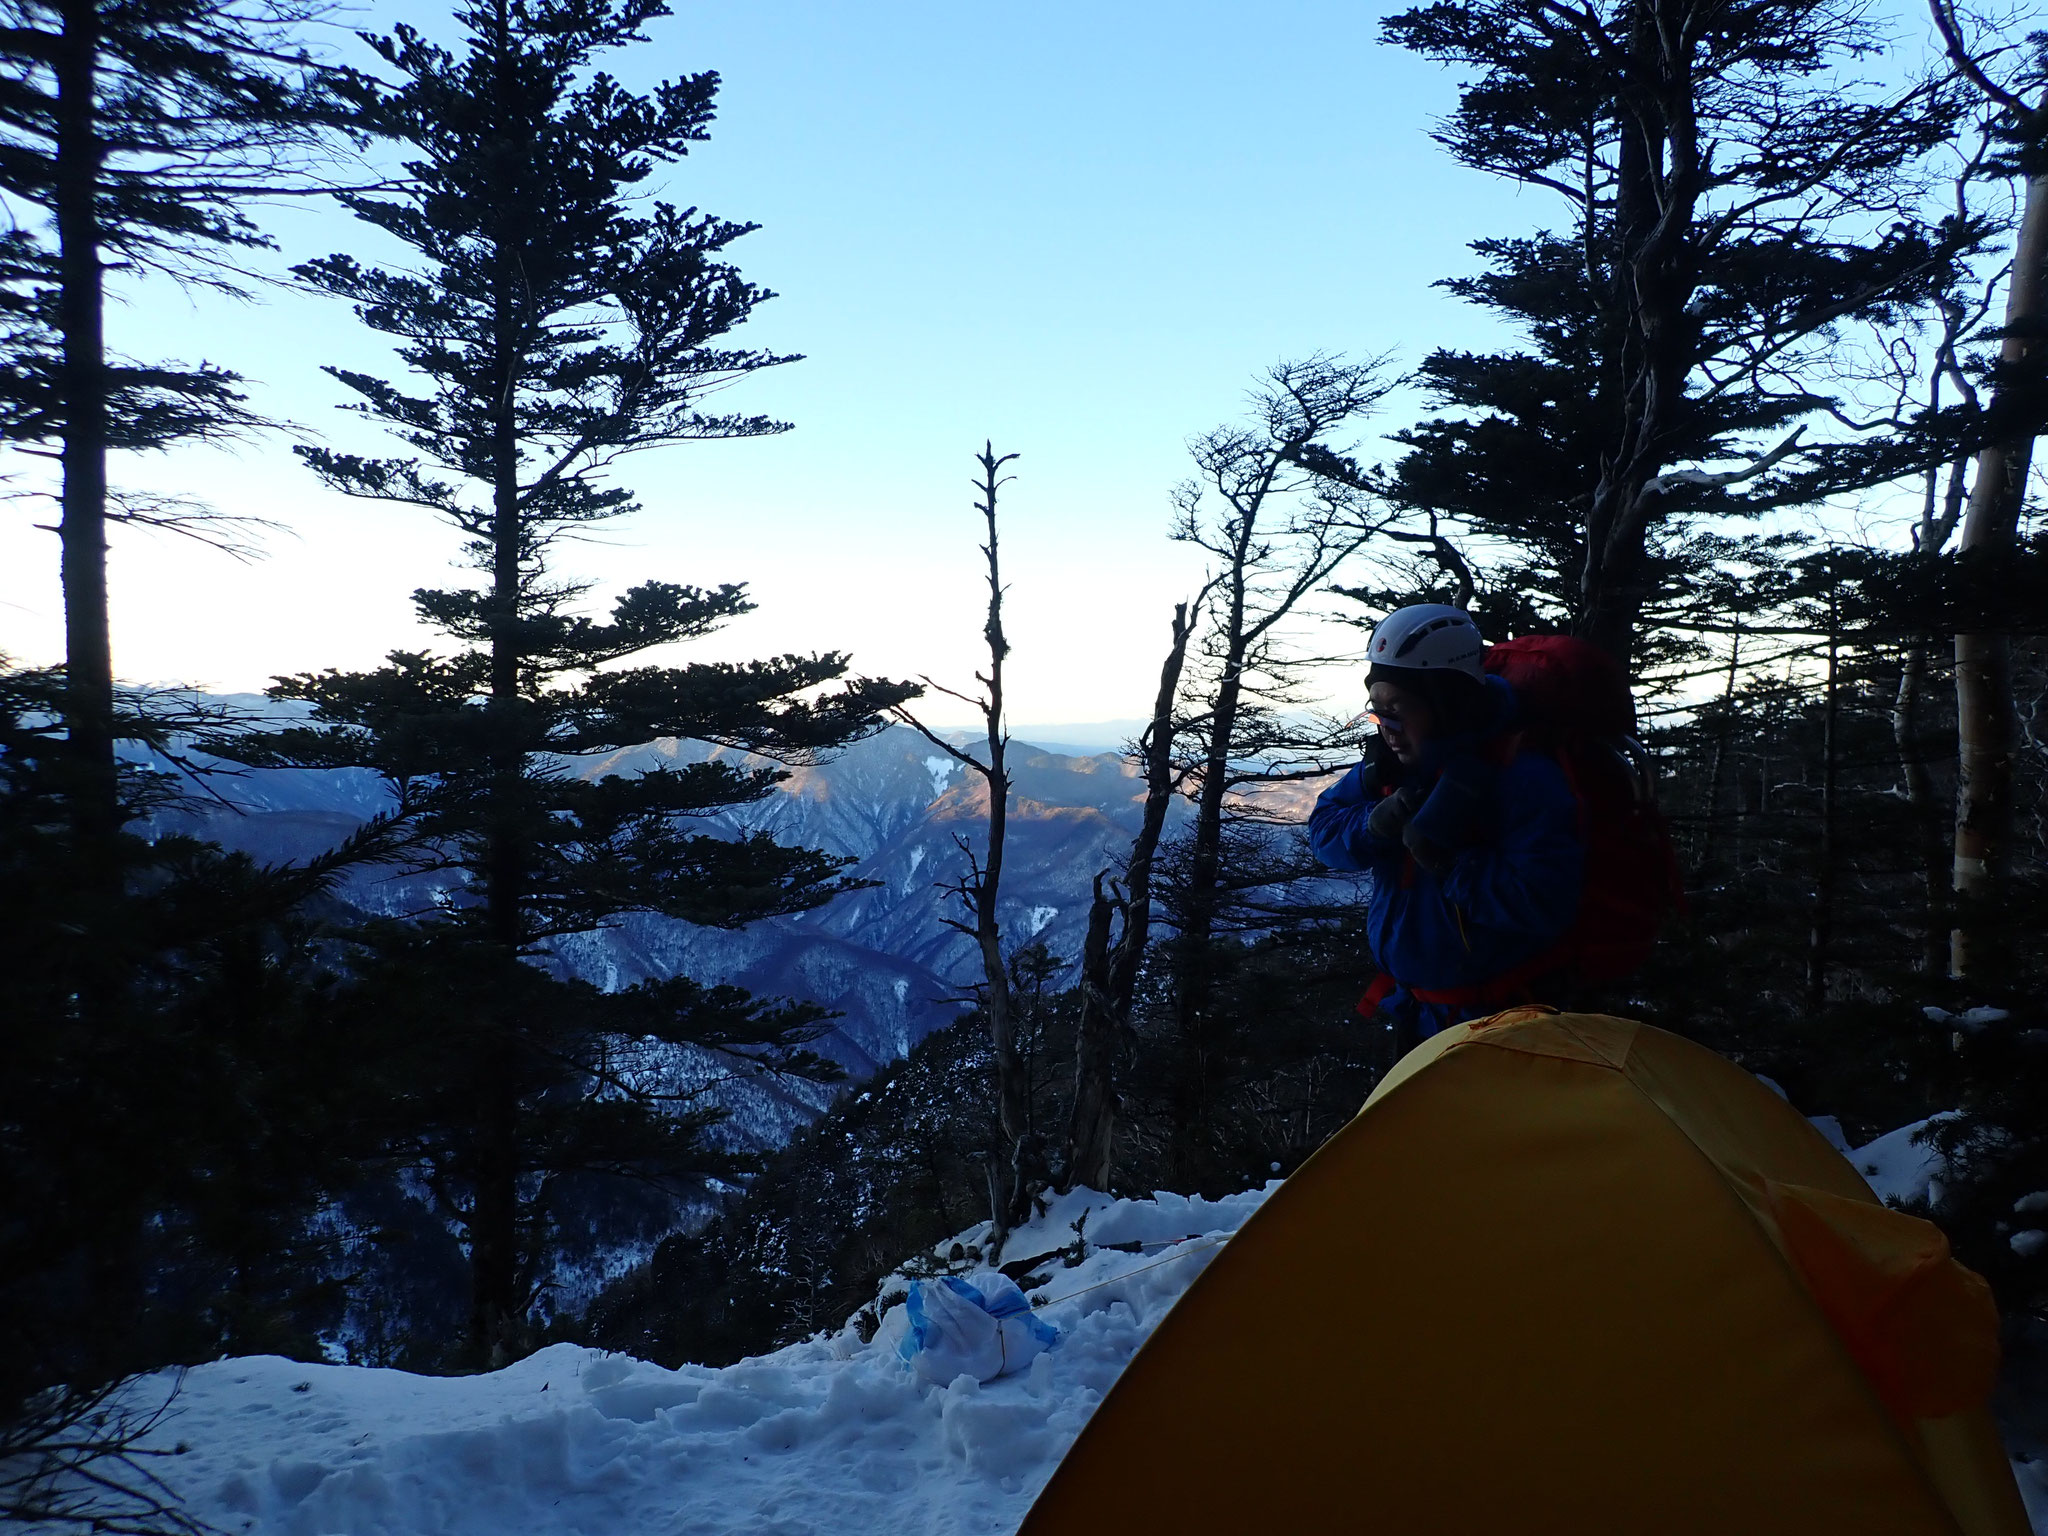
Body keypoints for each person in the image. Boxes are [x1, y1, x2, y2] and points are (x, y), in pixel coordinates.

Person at [1308, 603, 1585, 1050]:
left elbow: (1544, 904)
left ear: (1447, 703)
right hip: (1417, 1016)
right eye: (1376, 710)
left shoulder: (1522, 777)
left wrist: (1450, 862)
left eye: (1397, 708)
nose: (1386, 729)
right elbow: (1323, 832)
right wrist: (1371, 826)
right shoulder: (1393, 766)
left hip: (1498, 1028)